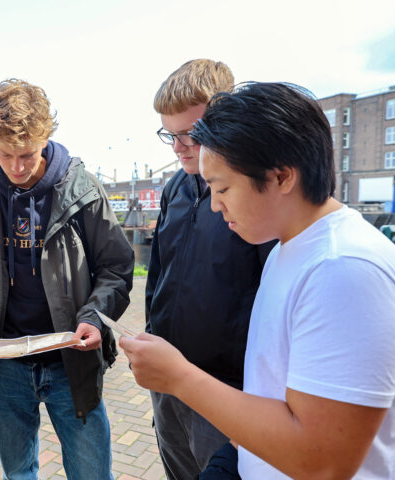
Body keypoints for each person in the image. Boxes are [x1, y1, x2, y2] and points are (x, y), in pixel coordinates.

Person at [121, 82, 395, 479]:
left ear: (281, 177)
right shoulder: (286, 250)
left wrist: (180, 377)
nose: (214, 204)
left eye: (222, 188)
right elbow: (274, 394)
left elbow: (324, 462)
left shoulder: (346, 270)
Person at [0, 78, 134, 480]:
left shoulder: (82, 190)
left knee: (91, 474)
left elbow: (117, 267)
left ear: (46, 138)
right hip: (5, 363)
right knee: (19, 473)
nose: (16, 167)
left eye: (27, 154)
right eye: (5, 154)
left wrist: (96, 317)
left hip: (71, 361)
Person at [145, 59, 273, 479]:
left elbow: (271, 297)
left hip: (225, 390)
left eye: (191, 133)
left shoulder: (254, 191)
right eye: (170, 134)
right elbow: (159, 274)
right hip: (167, 382)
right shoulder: (175, 188)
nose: (179, 146)